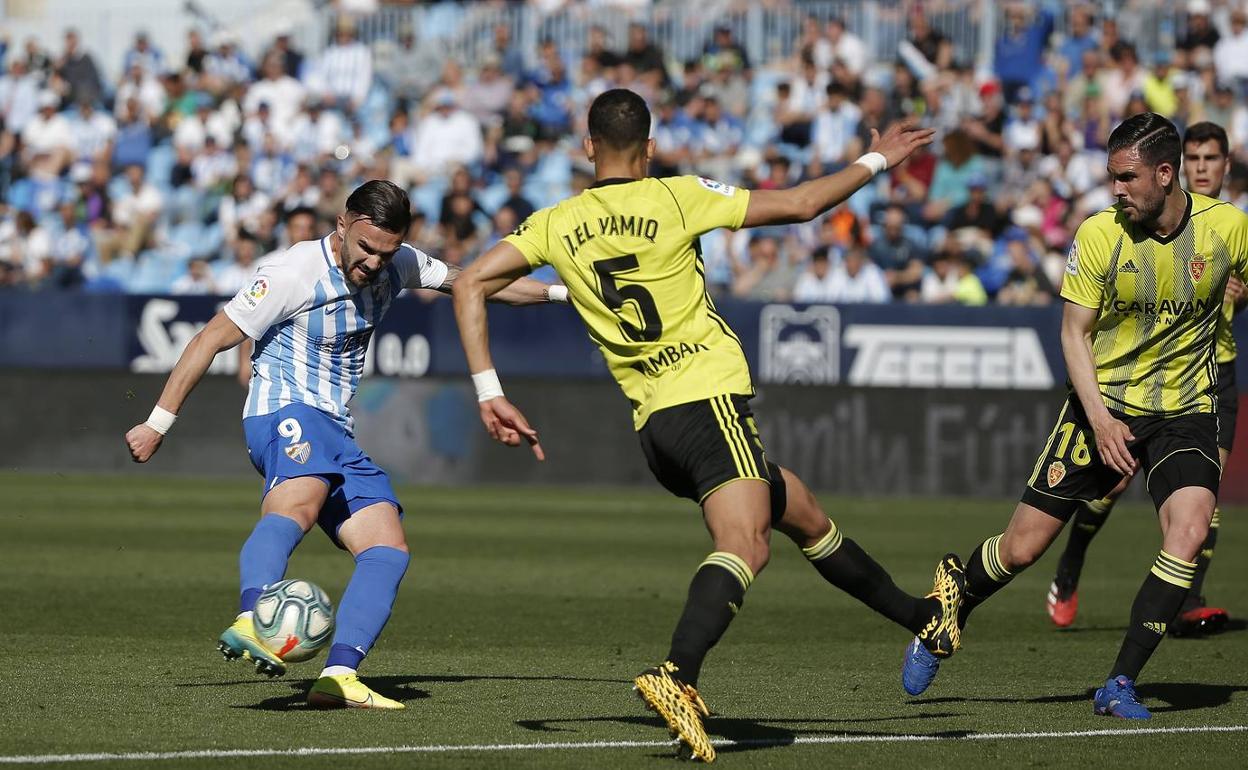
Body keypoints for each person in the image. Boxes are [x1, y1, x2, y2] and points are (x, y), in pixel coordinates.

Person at [450, 88, 961, 762]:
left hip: (657, 427)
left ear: (587, 146)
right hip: (707, 399)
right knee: (747, 544)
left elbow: (468, 285)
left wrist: (491, 390)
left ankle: (927, 620)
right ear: (651, 148)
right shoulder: (675, 195)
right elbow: (803, 203)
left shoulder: (555, 222)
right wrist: (876, 158)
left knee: (799, 509)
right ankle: (676, 675)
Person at [124, 180, 565, 710]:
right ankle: (253, 617)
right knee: (301, 502)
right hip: (282, 411)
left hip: (335, 427)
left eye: (388, 251)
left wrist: (564, 293)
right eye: (366, 249)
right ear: (342, 225)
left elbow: (477, 282)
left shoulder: (398, 262)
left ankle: (338, 675)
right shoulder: (290, 274)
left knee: (387, 548)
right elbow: (209, 339)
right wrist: (157, 423)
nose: (376, 263)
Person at [900, 113, 1248, 719]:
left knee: (1189, 533)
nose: (1115, 190)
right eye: (1111, 177)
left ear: (1165, 176)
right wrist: (1102, 420)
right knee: (1022, 548)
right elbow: (1072, 334)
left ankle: (1119, 684)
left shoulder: (1230, 229)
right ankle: (953, 595)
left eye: (1126, 178)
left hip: (1185, 408)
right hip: (1104, 405)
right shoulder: (1097, 236)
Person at [1046, 121, 1244, 636]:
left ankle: (1188, 601)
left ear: (1225, 166)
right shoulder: (1137, 220)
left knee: (1202, 494)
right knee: (1112, 485)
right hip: (1136, 380)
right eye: (1195, 158)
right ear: (1178, 167)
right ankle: (1070, 565)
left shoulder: (1230, 226)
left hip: (1209, 374)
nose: (1201, 167)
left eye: (1211, 159)